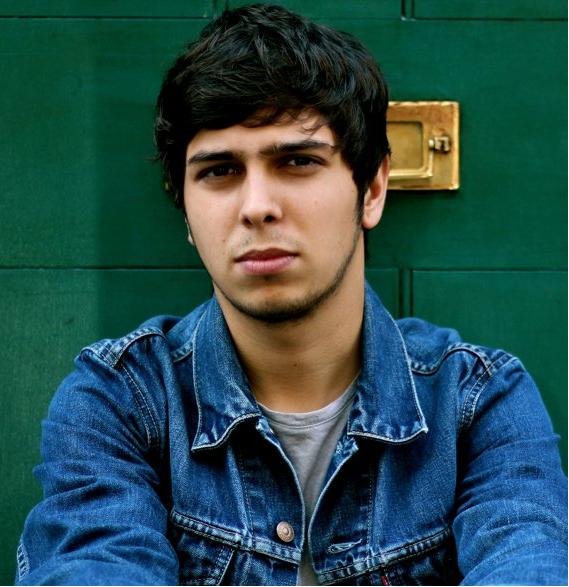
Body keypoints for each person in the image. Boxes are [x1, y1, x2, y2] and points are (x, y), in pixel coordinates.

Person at [17, 4, 567, 585]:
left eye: (298, 161)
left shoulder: (476, 401)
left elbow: (528, 561)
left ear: (372, 189)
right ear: (185, 210)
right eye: (219, 171)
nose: (257, 206)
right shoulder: (121, 401)